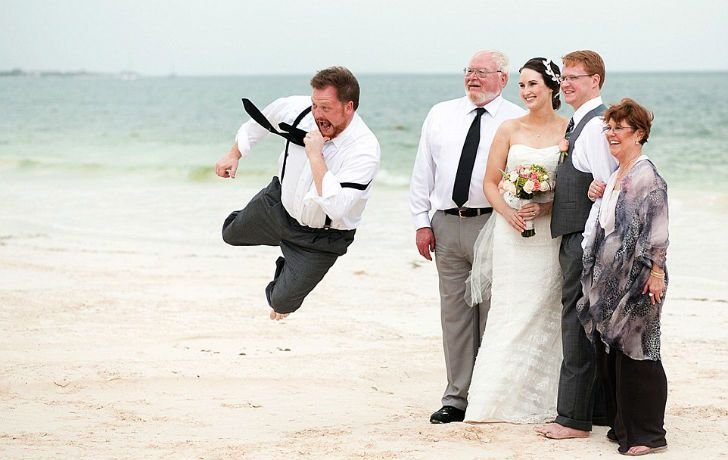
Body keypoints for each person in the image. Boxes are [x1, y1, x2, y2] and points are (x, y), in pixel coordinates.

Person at [409, 50, 525, 424]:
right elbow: (423, 171)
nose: (473, 78)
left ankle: (486, 395)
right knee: (455, 315)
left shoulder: (516, 119)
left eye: (482, 72)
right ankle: (456, 397)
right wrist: (421, 221)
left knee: (492, 313)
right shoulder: (440, 113)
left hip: (493, 225)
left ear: (503, 78)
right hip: (445, 223)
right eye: (469, 71)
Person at [215, 66, 380, 321]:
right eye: (315, 105)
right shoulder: (297, 109)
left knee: (281, 303)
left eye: (326, 108)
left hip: (320, 239)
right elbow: (260, 122)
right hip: (278, 208)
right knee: (230, 233)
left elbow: (337, 207)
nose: (317, 114)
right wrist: (234, 155)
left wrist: (316, 155)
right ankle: (276, 234)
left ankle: (289, 265)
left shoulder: (364, 149)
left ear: (349, 107)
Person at [464, 57, 567, 423]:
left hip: (548, 235)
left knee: (544, 309)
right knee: (509, 310)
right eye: (521, 85)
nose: (526, 91)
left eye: (533, 84)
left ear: (552, 87)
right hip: (511, 234)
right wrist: (507, 212)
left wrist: (547, 206)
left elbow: (573, 186)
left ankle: (541, 400)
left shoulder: (568, 130)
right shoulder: (508, 128)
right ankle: (492, 402)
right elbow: (490, 182)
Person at [578, 98, 669, 456]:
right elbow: (607, 222)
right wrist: (595, 192)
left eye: (620, 128)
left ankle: (649, 435)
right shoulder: (618, 173)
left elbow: (658, 229)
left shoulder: (647, 176)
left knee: (640, 352)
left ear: (640, 133)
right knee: (614, 349)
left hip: (640, 277)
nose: (612, 134)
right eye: (609, 128)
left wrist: (657, 272)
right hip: (611, 277)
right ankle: (623, 427)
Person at [536, 50, 617, 439]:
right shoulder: (579, 122)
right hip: (576, 234)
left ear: (595, 81)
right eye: (563, 77)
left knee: (576, 321)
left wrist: (590, 244)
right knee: (588, 323)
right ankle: (598, 410)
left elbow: (610, 188)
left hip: (585, 239)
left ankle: (572, 419)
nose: (565, 84)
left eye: (574, 77)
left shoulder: (596, 125)